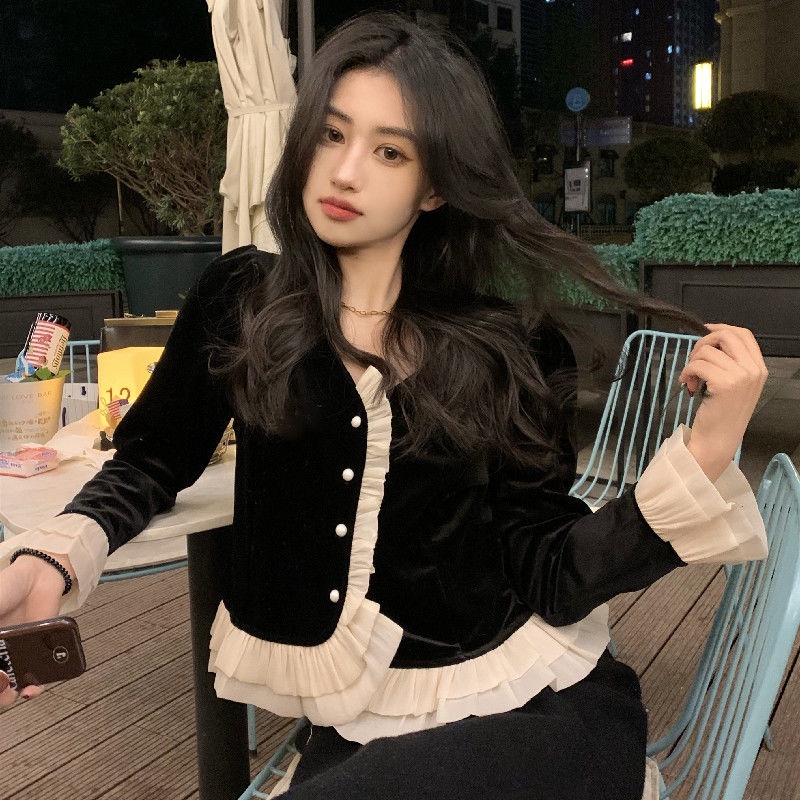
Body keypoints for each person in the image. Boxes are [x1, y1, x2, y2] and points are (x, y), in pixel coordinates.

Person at [0, 12, 769, 800]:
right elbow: (154, 457)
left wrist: (706, 452)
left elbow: (550, 567)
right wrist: (53, 558)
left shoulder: (510, 350)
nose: (345, 172)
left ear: (435, 186)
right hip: (364, 729)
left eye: (390, 151)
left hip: (536, 708)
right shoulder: (242, 300)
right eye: (331, 135)